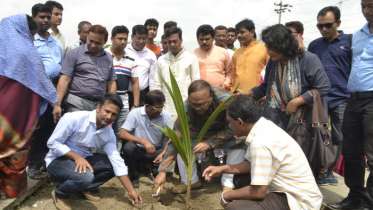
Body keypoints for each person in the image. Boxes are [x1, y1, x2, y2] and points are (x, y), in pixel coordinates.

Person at [203, 95, 323, 210]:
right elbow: (252, 164)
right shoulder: (262, 127)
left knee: (235, 207)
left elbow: (258, 192)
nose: (229, 125)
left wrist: (226, 195)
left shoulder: (260, 142)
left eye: (230, 122)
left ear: (240, 122)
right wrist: (222, 169)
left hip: (298, 201)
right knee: (240, 179)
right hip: (289, 190)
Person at [46, 93, 142, 210]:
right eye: (107, 111)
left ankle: (80, 188)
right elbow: (53, 143)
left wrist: (131, 190)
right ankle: (60, 193)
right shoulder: (74, 118)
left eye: (113, 114)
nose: (108, 116)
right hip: (57, 160)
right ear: (98, 107)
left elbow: (117, 161)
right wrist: (76, 157)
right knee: (85, 177)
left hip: (83, 158)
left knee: (112, 166)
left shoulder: (108, 133)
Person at [154, 80, 247, 194]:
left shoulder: (226, 100)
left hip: (225, 131)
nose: (198, 108)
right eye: (194, 105)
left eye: (202, 104)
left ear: (211, 97)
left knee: (241, 141)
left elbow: (233, 128)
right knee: (183, 144)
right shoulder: (186, 106)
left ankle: (227, 183)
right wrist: (163, 171)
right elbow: (177, 135)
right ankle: (191, 182)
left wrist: (209, 143)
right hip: (199, 131)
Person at [0, 14, 57, 198]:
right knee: (15, 147)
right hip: (17, 114)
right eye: (31, 33)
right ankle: (10, 189)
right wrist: (53, 100)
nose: (32, 38)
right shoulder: (27, 51)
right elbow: (42, 82)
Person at [237, 24, 330, 131]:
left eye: (271, 48)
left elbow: (323, 87)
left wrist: (297, 101)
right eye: (266, 47)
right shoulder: (274, 61)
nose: (268, 52)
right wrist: (250, 92)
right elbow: (266, 86)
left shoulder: (308, 59)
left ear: (284, 45)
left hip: (304, 121)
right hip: (277, 120)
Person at [327, 0, 373, 209]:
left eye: (371, 5)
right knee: (352, 152)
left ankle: (368, 203)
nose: (366, 10)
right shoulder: (359, 34)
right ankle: (355, 199)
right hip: (353, 100)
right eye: (363, 5)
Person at [308, 6, 351, 186]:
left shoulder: (349, 42)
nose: (324, 29)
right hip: (320, 99)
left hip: (342, 97)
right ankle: (319, 171)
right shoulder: (315, 45)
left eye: (327, 25)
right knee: (319, 136)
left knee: (339, 137)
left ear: (338, 23)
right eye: (320, 26)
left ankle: (330, 170)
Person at [52, 25, 117, 123]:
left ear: (105, 42)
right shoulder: (74, 54)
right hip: (77, 102)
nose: (93, 45)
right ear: (87, 37)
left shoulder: (108, 58)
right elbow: (64, 79)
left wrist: (110, 105)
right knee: (78, 132)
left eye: (98, 43)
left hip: (99, 105)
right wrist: (57, 105)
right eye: (91, 41)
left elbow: (111, 82)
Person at [27, 3, 63, 180]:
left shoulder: (55, 42)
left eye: (48, 17)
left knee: (52, 126)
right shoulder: (30, 39)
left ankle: (44, 163)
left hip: (55, 89)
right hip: (36, 89)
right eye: (42, 17)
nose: (46, 20)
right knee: (37, 128)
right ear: (34, 18)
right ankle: (32, 166)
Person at [120, 90, 172, 188]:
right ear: (147, 106)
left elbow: (171, 139)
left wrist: (163, 153)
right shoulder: (135, 113)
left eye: (161, 107)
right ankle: (134, 175)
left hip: (155, 151)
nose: (159, 110)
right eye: (156, 108)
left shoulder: (165, 115)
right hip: (138, 150)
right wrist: (144, 141)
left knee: (169, 150)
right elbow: (122, 134)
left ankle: (150, 168)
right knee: (128, 148)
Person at [105, 25, 140, 151]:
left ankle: (116, 161)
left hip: (124, 104)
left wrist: (135, 105)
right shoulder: (104, 55)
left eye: (125, 39)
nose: (123, 42)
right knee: (102, 132)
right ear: (112, 39)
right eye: (119, 38)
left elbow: (135, 83)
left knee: (119, 134)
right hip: (106, 103)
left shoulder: (131, 59)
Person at [155, 27, 200, 122]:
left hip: (186, 106)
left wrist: (190, 103)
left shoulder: (191, 59)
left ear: (181, 40)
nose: (172, 44)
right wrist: (159, 104)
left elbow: (196, 83)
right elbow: (157, 84)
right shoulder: (161, 60)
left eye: (175, 41)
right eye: (169, 42)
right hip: (166, 106)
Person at [230, 19, 269, 91]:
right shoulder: (236, 54)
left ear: (252, 32)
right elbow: (233, 76)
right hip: (238, 95)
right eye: (237, 33)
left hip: (259, 95)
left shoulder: (265, 49)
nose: (239, 35)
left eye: (242, 32)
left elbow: (270, 73)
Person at [190, 25, 231, 91]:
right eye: (201, 39)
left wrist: (225, 84)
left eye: (207, 39)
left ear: (213, 38)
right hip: (199, 91)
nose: (204, 42)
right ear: (197, 39)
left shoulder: (223, 52)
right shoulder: (191, 54)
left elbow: (230, 73)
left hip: (220, 90)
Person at [126, 25, 157, 108]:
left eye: (144, 38)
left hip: (143, 95)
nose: (141, 41)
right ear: (132, 37)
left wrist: (151, 97)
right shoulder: (124, 51)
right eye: (138, 38)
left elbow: (152, 78)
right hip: (125, 95)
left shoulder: (151, 55)